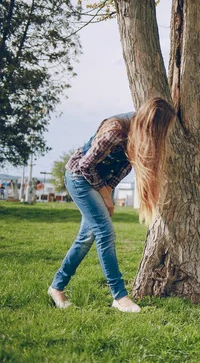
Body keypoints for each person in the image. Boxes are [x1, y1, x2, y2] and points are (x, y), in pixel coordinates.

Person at [48, 98, 176, 313]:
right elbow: (85, 166)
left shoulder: (139, 134)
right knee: (105, 234)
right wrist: (106, 196)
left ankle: (56, 288)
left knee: (86, 237)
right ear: (154, 123)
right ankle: (119, 297)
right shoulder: (116, 130)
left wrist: (107, 191)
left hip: (97, 183)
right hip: (79, 178)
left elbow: (121, 169)